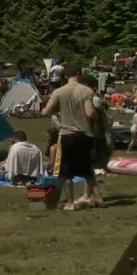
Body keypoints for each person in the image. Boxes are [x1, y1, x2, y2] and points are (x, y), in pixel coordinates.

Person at [41, 62, 100, 210]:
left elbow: (46, 112)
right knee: (87, 170)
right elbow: (89, 113)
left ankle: (70, 203)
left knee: (66, 172)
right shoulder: (86, 91)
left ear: (64, 76)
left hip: (67, 135)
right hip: (84, 134)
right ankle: (96, 198)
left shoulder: (59, 92)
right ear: (78, 74)